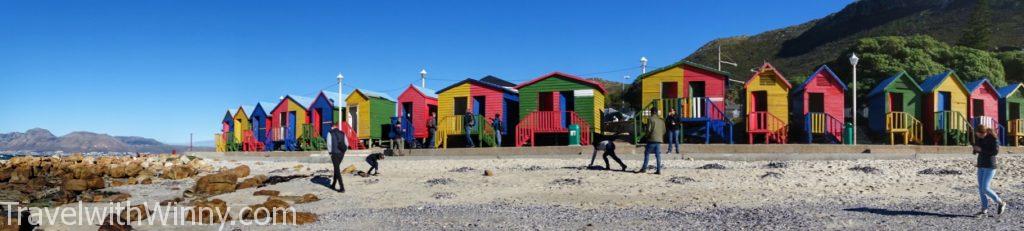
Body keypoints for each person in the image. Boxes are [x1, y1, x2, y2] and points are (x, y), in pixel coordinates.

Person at [972, 125, 1006, 217]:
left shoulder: (993, 138)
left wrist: (981, 149)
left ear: (984, 132)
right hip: (981, 164)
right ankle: (984, 210)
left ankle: (1000, 202)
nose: (978, 136)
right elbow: (978, 151)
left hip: (990, 166)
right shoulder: (979, 138)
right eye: (977, 135)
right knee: (981, 188)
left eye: (979, 135)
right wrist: (975, 149)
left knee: (985, 188)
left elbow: (994, 152)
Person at [638, 108, 665, 174]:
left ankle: (644, 169)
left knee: (647, 154)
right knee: (658, 155)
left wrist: (646, 136)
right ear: (656, 112)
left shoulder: (650, 119)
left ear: (651, 112)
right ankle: (658, 170)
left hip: (652, 139)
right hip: (659, 140)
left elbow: (648, 130)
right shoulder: (661, 120)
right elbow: (664, 131)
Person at [328, 124, 348, 192]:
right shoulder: (343, 133)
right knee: (336, 168)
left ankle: (342, 187)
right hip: (341, 153)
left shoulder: (330, 133)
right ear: (337, 127)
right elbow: (347, 144)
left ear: (332, 127)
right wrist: (343, 151)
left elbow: (329, 144)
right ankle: (333, 184)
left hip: (334, 153)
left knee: (337, 169)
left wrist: (330, 153)